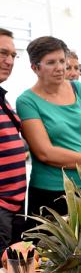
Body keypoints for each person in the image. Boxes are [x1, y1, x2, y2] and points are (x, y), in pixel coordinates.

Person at [16, 36, 81, 218]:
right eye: (51, 62)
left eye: (62, 60)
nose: (60, 67)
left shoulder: (77, 88)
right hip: (50, 194)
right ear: (35, 68)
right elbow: (45, 153)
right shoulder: (27, 101)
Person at [0, 28, 27, 257]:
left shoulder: (3, 97)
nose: (9, 61)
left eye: (12, 55)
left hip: (14, 205)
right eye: (2, 53)